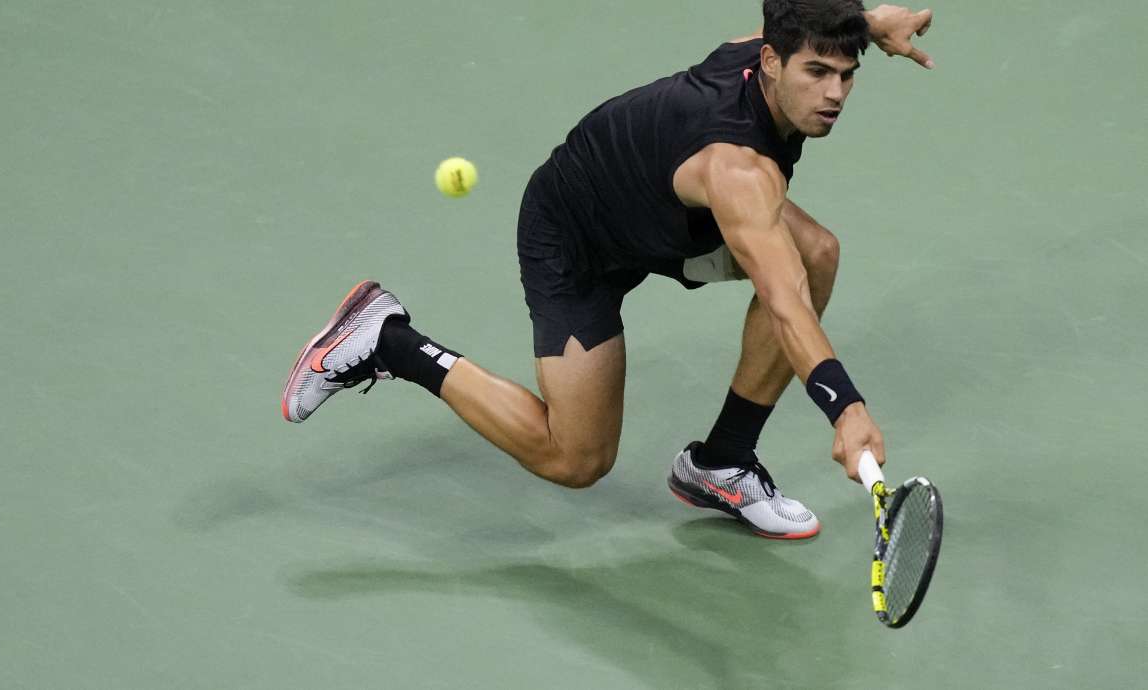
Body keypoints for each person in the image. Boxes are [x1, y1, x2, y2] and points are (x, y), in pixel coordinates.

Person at [280, 1, 935, 539]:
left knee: (817, 253)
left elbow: (799, 33)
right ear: (770, 61)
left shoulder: (767, 51)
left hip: (664, 217)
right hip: (576, 237)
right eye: (816, 72)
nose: (833, 94)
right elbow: (784, 302)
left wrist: (872, 25)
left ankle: (722, 464)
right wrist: (845, 409)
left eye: (845, 74)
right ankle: (388, 338)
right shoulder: (739, 171)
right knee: (576, 458)